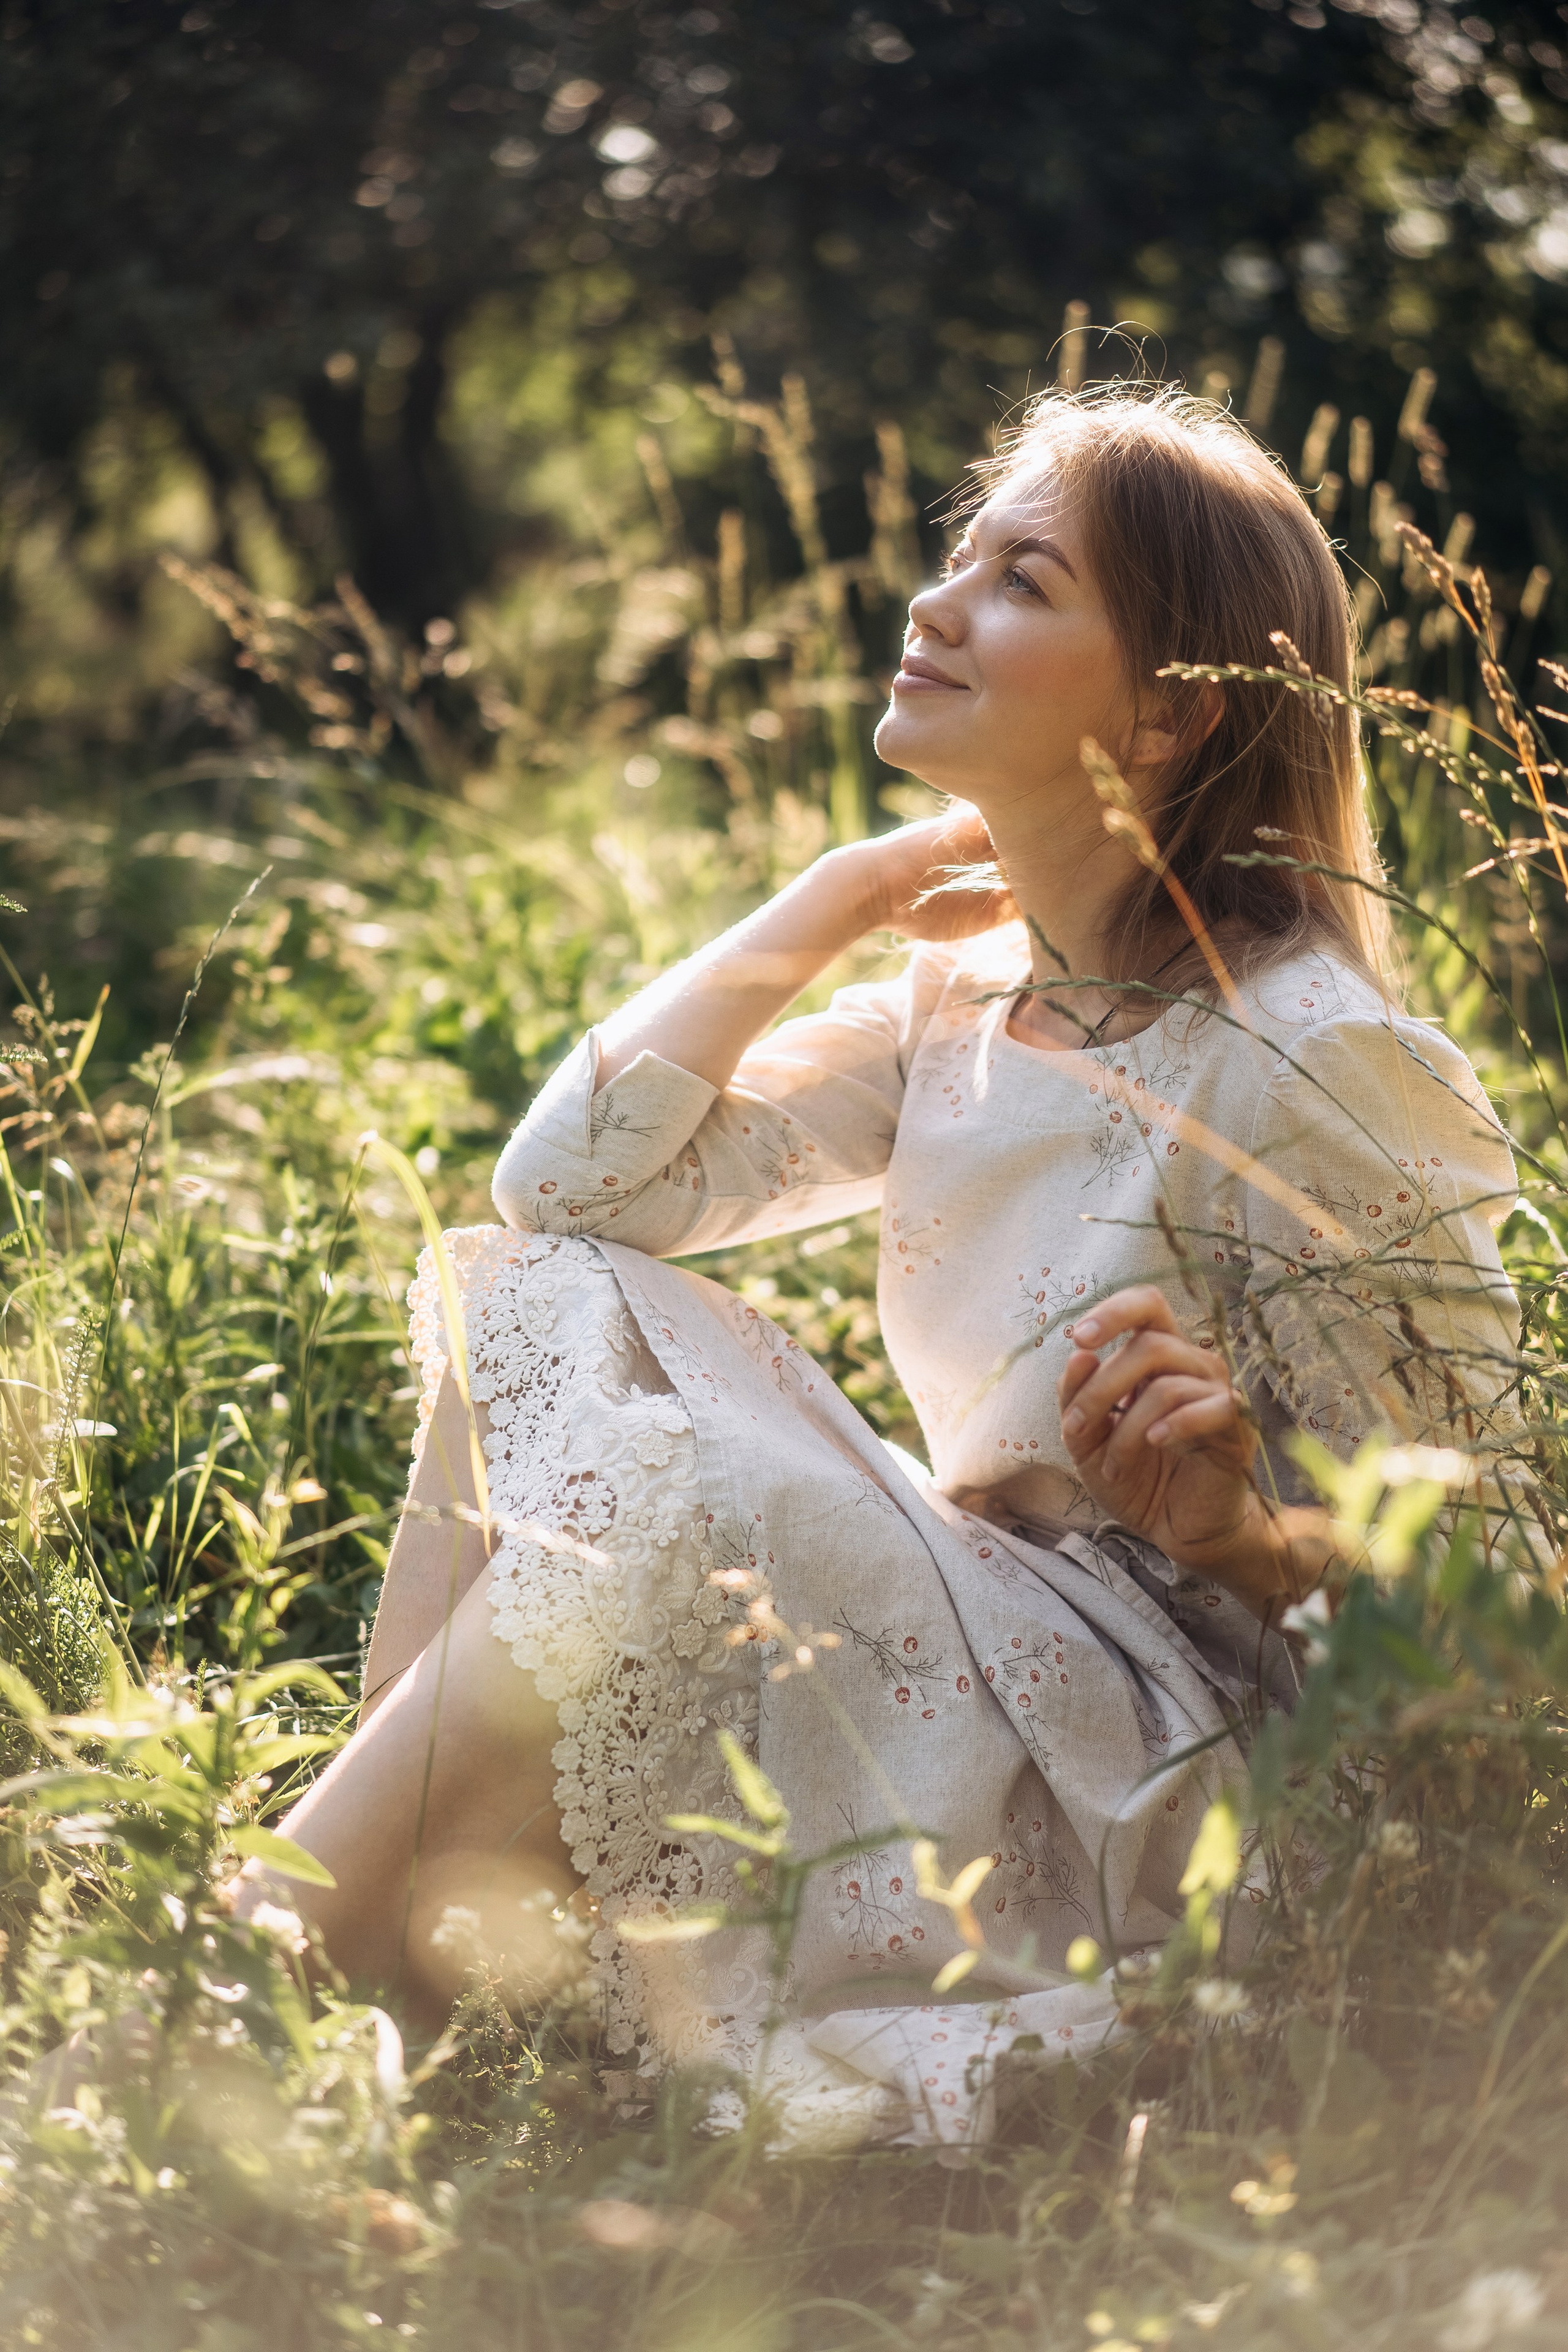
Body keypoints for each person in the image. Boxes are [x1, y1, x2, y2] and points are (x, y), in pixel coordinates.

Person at [237, 382, 1522, 2149]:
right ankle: (367, 1915)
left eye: (1025, 579)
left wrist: (1231, 1530)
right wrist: (829, 900)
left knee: (681, 1472)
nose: (937, 603)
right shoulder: (963, 999)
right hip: (978, 1632)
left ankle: (265, 1951)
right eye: (960, 558)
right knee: (537, 1298)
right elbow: (567, 1199)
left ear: (1169, 714)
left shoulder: (1304, 1059)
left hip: (1153, 1759)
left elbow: (1492, 1592)